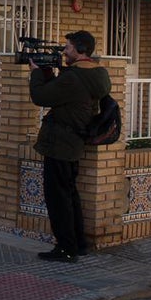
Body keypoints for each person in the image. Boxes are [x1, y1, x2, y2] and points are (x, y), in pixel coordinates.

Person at [28, 30, 112, 263]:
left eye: (68, 48)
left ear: (80, 50)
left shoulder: (73, 78)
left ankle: (65, 248)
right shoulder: (97, 74)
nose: (64, 52)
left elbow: (41, 97)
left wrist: (36, 74)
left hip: (60, 144)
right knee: (70, 194)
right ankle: (78, 244)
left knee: (58, 198)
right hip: (73, 142)